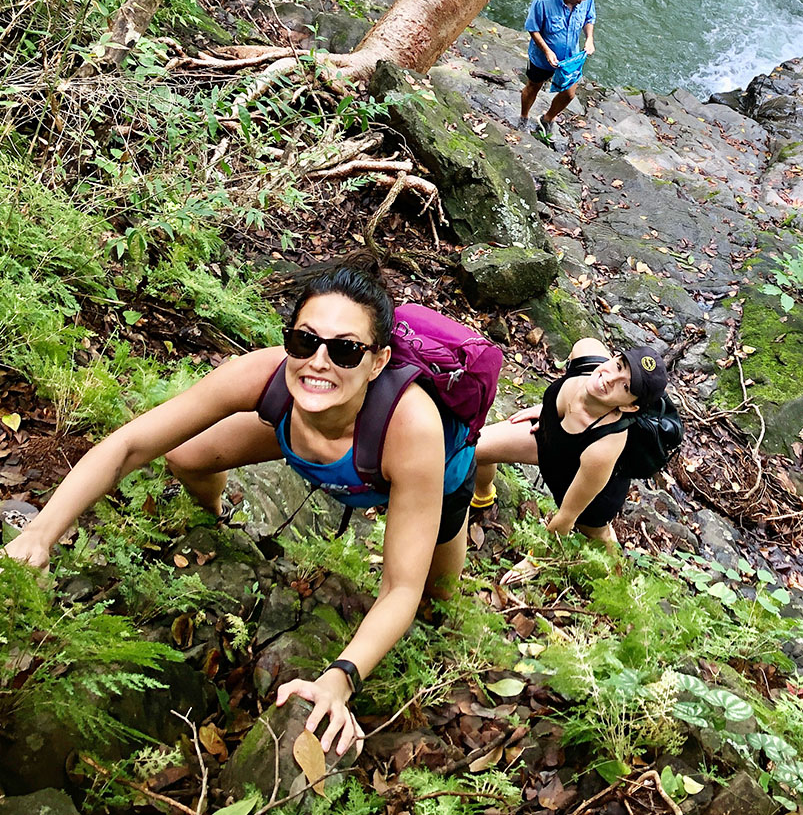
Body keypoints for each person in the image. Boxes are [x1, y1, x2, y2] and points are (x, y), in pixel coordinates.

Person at [2, 261, 475, 757]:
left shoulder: (412, 428)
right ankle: (216, 518)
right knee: (186, 455)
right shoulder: (261, 375)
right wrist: (41, 532)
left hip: (426, 478)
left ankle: (449, 603)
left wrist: (341, 678)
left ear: (377, 362)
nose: (318, 361)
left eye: (345, 349)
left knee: (434, 598)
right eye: (304, 341)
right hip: (311, 442)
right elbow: (130, 444)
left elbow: (399, 586)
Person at [471, 338, 667, 583]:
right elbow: (584, 343)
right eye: (618, 366)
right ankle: (483, 496)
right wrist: (547, 409)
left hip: (592, 490)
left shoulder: (604, 447)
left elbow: (566, 518)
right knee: (475, 447)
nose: (609, 379)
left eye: (625, 388)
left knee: (596, 537)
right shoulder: (589, 357)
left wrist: (535, 560)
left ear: (629, 408)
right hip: (550, 442)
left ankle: (621, 584)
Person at [520, 0, 596, 145]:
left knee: (569, 94)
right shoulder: (543, 1)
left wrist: (590, 38)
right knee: (533, 87)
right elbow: (533, 28)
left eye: (582, 0)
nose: (580, 3)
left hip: (570, 58)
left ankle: (547, 119)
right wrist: (547, 51)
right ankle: (523, 117)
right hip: (542, 57)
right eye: (577, 0)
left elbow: (589, 18)